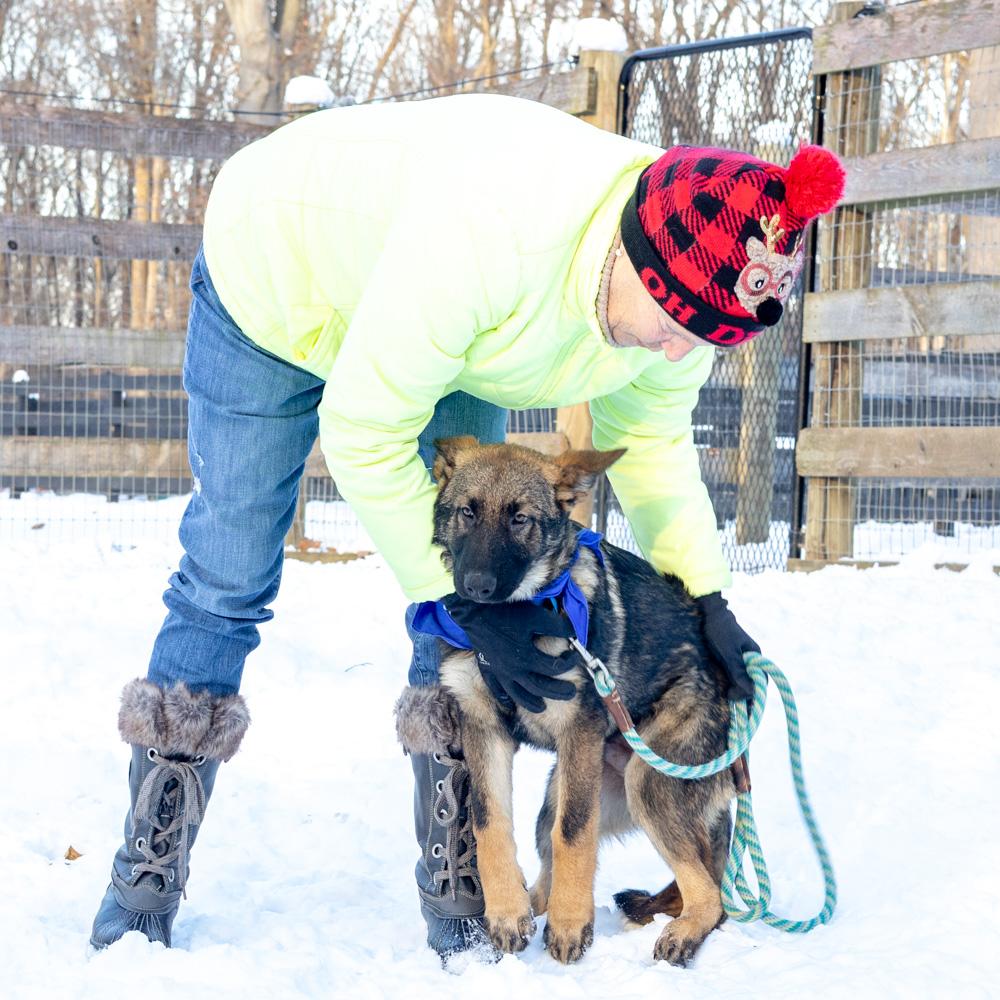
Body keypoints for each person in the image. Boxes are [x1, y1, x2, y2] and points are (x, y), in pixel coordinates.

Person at [89, 93, 844, 957]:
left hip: (456, 335)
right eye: (676, 329)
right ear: (639, 265)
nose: (682, 353)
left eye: (702, 340)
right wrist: (458, 604)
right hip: (277, 282)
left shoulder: (690, 287)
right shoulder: (491, 239)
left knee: (475, 590)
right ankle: (146, 874)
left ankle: (460, 869)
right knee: (230, 569)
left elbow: (652, 442)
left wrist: (707, 601)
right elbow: (363, 431)